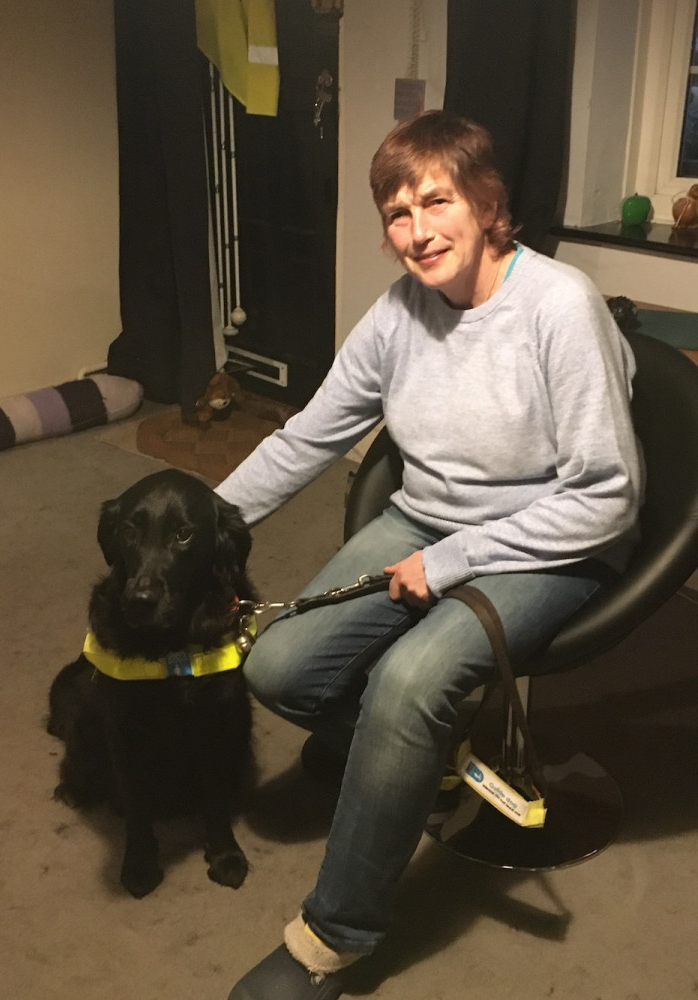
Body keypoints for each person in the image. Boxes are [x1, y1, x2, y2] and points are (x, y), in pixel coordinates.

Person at [218, 111, 643, 1000]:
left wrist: (456, 562)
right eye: (397, 213)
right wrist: (208, 525)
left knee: (407, 685)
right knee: (277, 666)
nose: (415, 232)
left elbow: (606, 494)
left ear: (488, 203)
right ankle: (408, 759)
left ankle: (333, 940)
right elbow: (308, 436)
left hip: (555, 537)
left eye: (436, 201)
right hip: (427, 520)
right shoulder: (400, 312)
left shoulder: (559, 307)